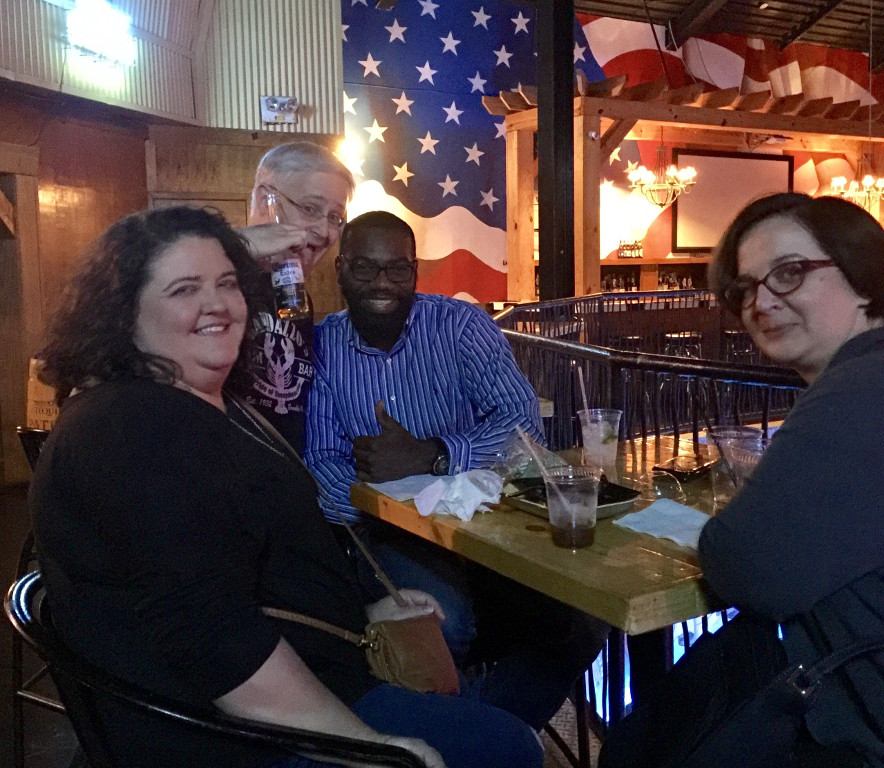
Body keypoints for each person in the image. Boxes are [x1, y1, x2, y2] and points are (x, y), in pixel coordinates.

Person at [30, 206, 543, 768]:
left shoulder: (200, 405)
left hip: (304, 668)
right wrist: (367, 746)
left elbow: (239, 576)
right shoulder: (134, 428)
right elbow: (210, 638)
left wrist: (362, 616)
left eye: (227, 283)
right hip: (237, 737)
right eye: (183, 289)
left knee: (542, 639)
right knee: (506, 747)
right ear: (123, 312)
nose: (217, 304)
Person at [600, 194, 884, 768]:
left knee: (646, 746)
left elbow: (746, 569)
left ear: (862, 275)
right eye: (743, 289)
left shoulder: (870, 391)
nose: (760, 302)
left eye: (789, 272)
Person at [305, 210, 608, 730]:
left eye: (397, 268)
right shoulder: (321, 348)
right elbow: (322, 470)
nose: (383, 282)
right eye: (364, 268)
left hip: (492, 521)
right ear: (339, 270)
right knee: (442, 625)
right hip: (390, 535)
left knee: (586, 617)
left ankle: (481, 731)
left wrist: (433, 455)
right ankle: (480, 736)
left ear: (415, 269)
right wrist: (388, 496)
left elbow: (523, 425)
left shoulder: (461, 325)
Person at [236, 141, 354, 452]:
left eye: (335, 217)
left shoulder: (295, 294)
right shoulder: (216, 279)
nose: (325, 231)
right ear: (266, 200)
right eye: (311, 208)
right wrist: (234, 248)